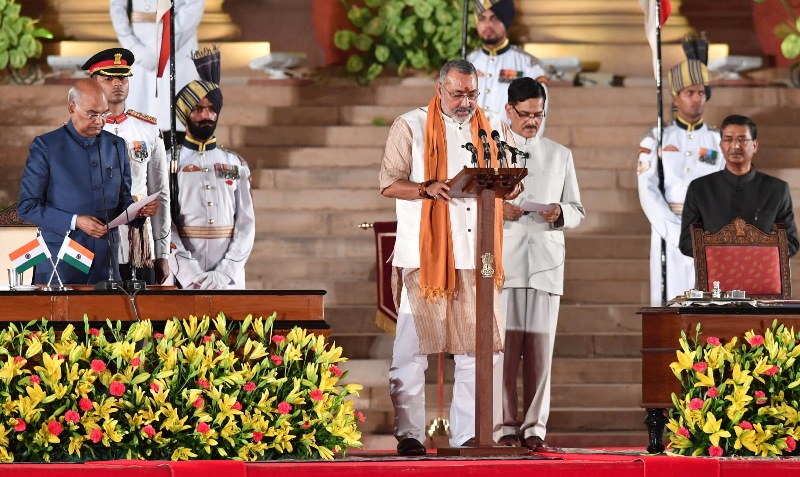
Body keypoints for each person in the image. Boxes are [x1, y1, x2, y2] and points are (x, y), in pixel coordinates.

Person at [379, 58, 517, 455]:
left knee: (479, 350)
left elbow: (506, 172)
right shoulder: (409, 125)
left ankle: (467, 435)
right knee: (412, 349)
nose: (465, 101)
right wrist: (425, 188)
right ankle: (409, 434)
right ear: (440, 89)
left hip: (480, 254)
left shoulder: (491, 124)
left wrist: (512, 187)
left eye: (472, 93)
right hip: (426, 256)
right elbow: (388, 183)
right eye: (458, 93)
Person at [495, 78, 585, 450]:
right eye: (526, 115)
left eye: (539, 114)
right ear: (509, 111)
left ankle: (535, 429)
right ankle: (501, 429)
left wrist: (559, 211)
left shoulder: (559, 154)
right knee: (502, 353)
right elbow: (470, 204)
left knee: (540, 354)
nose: (533, 122)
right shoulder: (490, 152)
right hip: (505, 262)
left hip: (546, 264)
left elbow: (578, 210)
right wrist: (502, 209)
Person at [18, 79, 157, 285]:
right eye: (92, 114)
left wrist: (139, 212)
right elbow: (27, 207)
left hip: (107, 263)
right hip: (60, 263)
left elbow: (123, 201)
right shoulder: (46, 146)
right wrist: (76, 221)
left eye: (104, 114)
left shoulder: (116, 145)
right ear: (72, 107)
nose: (99, 121)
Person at [637, 59, 724, 305]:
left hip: (708, 230)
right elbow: (648, 190)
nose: (697, 98)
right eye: (689, 93)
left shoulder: (717, 139)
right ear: (675, 98)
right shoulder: (656, 136)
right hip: (668, 230)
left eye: (701, 92)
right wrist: (674, 231)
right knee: (669, 303)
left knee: (708, 304)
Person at [82, 47, 171, 285]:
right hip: (96, 235)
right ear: (94, 82)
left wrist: (162, 252)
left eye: (121, 77)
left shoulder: (148, 129)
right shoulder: (80, 130)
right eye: (108, 78)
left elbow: (160, 194)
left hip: (138, 241)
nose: (116, 84)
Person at [169, 49, 255, 290]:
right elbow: (163, 226)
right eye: (198, 109)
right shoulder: (168, 163)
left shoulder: (236, 163)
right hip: (183, 277)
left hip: (228, 277)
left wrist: (225, 272)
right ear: (185, 114)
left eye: (211, 109)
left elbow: (246, 224)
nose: (206, 115)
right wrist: (190, 274)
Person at [680, 114, 799, 258]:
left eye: (742, 140)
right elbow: (686, 242)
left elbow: (791, 242)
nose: (735, 145)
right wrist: (725, 253)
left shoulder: (777, 189)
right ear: (721, 146)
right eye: (728, 139)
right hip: (716, 276)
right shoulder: (699, 188)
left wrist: (754, 253)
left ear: (754, 145)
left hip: (760, 275)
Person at [109, 0, 205, 144]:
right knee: (139, 132)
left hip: (178, 52)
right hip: (140, 56)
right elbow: (117, 8)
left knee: (177, 132)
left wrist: (161, 47)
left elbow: (194, 7)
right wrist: (134, 49)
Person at [466, 0, 548, 127]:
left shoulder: (529, 65)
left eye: (495, 18)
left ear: (506, 22)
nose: (487, 24)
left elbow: (537, 114)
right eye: (482, 18)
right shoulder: (466, 63)